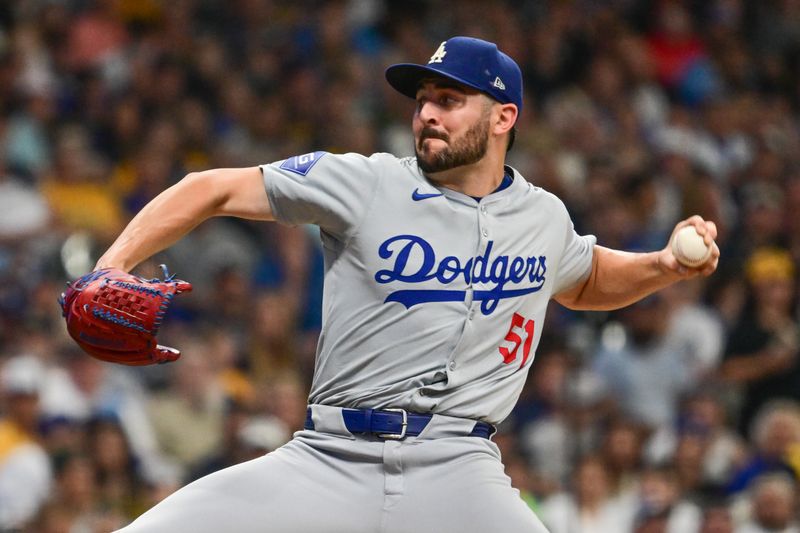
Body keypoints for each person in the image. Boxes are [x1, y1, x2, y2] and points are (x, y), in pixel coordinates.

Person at [88, 36, 718, 532]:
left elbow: (585, 278)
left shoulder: (542, 215)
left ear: (504, 117)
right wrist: (112, 265)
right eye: (422, 100)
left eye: (449, 100)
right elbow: (213, 187)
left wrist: (663, 265)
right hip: (329, 457)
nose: (426, 114)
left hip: (459, 469)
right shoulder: (365, 182)